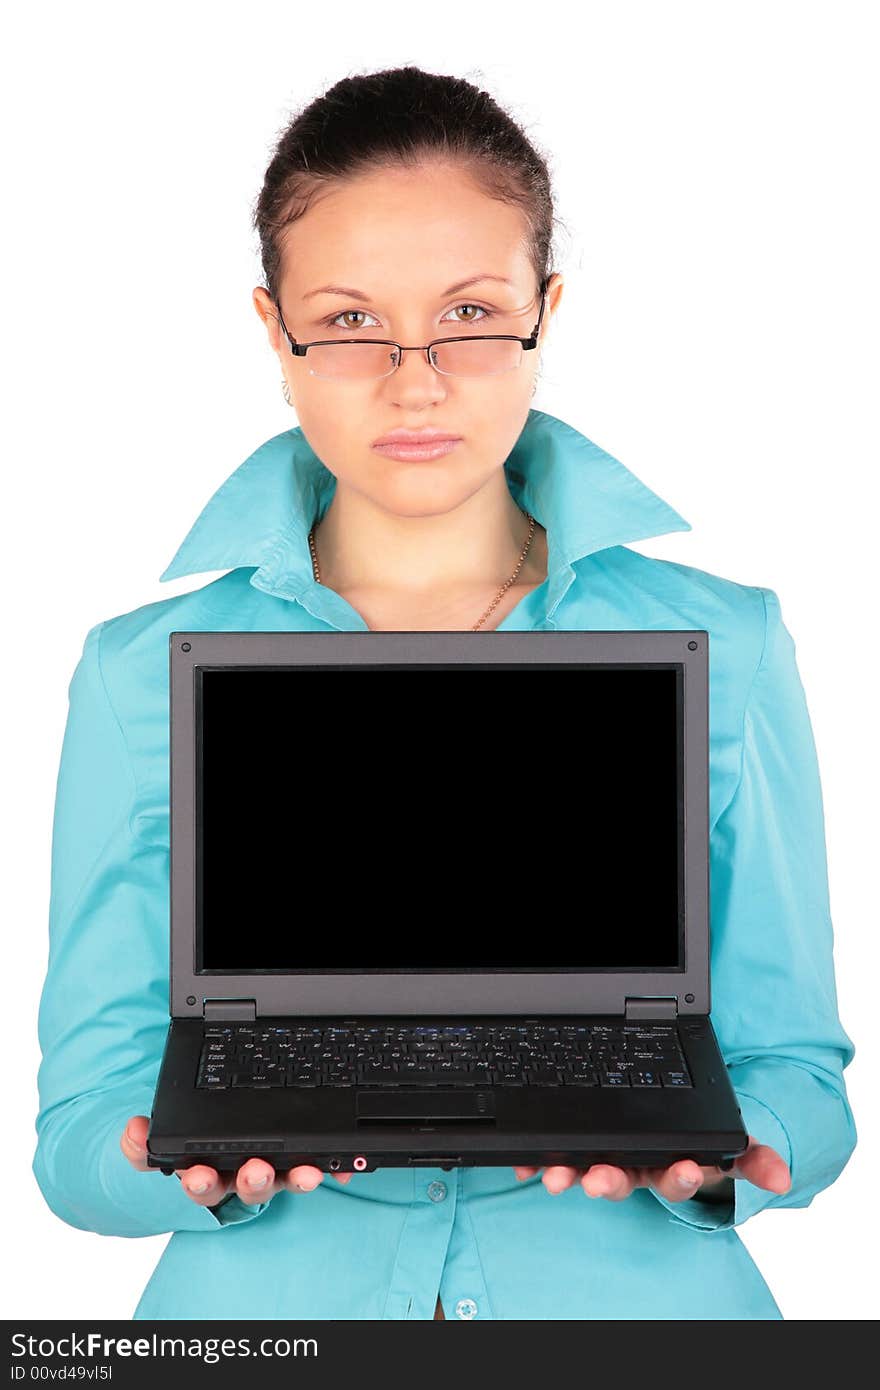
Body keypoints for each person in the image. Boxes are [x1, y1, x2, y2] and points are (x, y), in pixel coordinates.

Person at [33, 65, 857, 1322]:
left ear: (546, 309)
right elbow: (79, 1130)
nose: (415, 381)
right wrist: (173, 1162)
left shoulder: (724, 643)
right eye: (351, 321)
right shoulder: (134, 672)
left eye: (470, 312)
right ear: (275, 330)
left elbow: (797, 1072)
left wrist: (735, 1155)